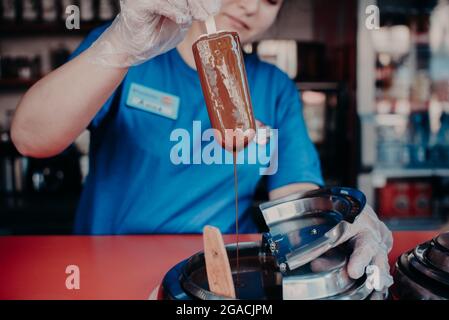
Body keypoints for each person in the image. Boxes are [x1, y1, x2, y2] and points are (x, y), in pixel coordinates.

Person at [11, 0, 393, 294]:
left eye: (272, 0)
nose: (252, 7)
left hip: (219, 278)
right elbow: (30, 138)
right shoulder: (124, 54)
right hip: (106, 269)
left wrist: (332, 222)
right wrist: (121, 47)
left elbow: (295, 193)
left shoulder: (274, 87)